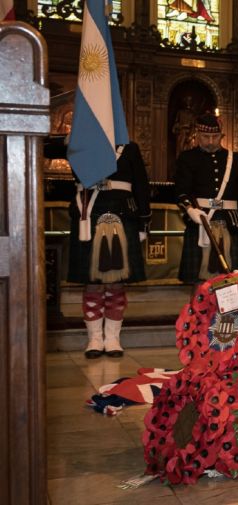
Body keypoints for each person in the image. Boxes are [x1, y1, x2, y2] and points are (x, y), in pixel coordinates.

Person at [66, 142, 151, 358]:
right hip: (90, 211)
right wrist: (73, 140)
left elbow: (141, 183)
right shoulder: (83, 139)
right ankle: (94, 338)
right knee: (92, 282)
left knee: (116, 281)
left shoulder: (130, 148)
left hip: (123, 213)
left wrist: (143, 223)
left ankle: (113, 338)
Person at [174, 112, 238, 284]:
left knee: (231, 279)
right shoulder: (187, 158)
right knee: (199, 282)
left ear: (221, 136)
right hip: (200, 222)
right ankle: (199, 310)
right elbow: (180, 190)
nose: (210, 141)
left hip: (230, 223)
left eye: (215, 137)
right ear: (197, 135)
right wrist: (189, 209)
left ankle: (227, 311)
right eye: (206, 136)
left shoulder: (236, 159)